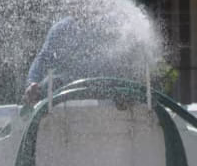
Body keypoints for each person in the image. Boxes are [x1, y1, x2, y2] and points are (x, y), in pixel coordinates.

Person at [22, 10, 154, 105]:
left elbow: (131, 59)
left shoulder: (115, 25)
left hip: (110, 96)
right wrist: (32, 82)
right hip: (67, 98)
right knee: (49, 84)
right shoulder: (60, 29)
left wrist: (131, 84)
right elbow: (42, 59)